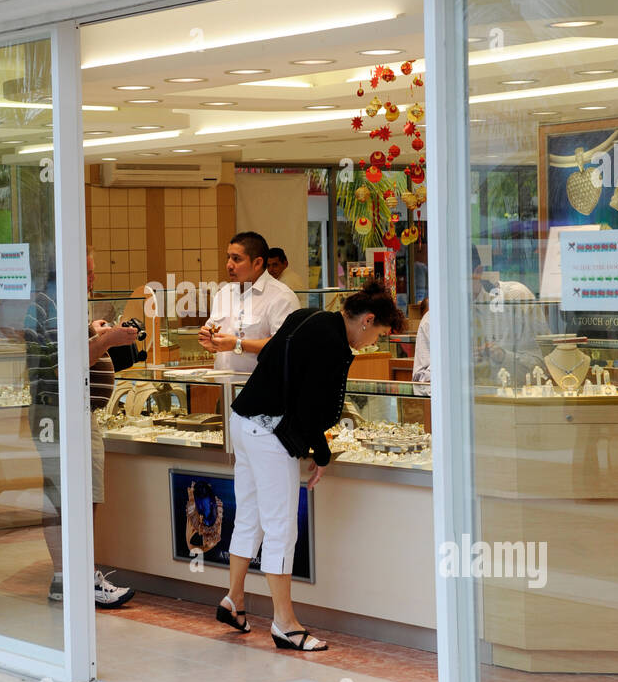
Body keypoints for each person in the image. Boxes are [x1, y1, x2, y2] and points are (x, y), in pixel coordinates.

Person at [216, 280, 405, 651]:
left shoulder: (307, 315)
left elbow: (278, 366)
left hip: (242, 421)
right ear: (367, 320)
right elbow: (311, 408)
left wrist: (315, 448)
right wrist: (321, 455)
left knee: (251, 516)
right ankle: (284, 623)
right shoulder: (335, 346)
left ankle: (234, 599)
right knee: (281, 528)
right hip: (270, 431)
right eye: (379, 335)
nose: (374, 343)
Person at [24, 250, 138, 609]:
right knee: (68, 498)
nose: (93, 280)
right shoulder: (50, 306)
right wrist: (107, 342)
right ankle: (75, 578)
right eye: (87, 273)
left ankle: (70, 577)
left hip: (71, 411)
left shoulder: (61, 304)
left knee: (78, 494)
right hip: (60, 413)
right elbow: (62, 367)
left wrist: (92, 332)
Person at [413, 248, 548, 391]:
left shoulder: (512, 305)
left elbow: (541, 369)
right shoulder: (432, 321)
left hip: (508, 407)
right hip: (455, 410)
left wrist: (503, 357)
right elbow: (419, 383)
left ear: (478, 272)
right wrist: (456, 365)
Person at [198, 231, 299, 371]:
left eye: (236, 259)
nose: (229, 265)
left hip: (262, 388)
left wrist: (238, 344)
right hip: (225, 387)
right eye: (228, 258)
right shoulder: (223, 294)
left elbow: (285, 345)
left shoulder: (281, 296)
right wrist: (208, 340)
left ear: (257, 263)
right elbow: (213, 334)